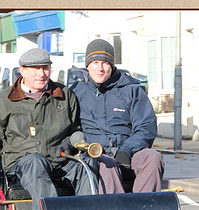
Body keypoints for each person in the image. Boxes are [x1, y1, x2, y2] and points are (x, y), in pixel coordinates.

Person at [0, 48, 122, 210]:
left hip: (59, 162)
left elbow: (77, 130)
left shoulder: (65, 95)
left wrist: (68, 143)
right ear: (22, 70)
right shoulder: (3, 101)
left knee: (85, 164)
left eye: (45, 68)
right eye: (35, 69)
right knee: (36, 162)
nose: (41, 74)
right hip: (21, 165)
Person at [69, 39, 164, 193]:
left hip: (128, 152)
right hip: (95, 154)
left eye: (105, 63)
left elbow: (145, 126)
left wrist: (127, 150)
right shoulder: (75, 92)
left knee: (153, 158)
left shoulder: (131, 90)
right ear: (87, 65)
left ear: (112, 66)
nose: (100, 68)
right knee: (108, 164)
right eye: (95, 63)